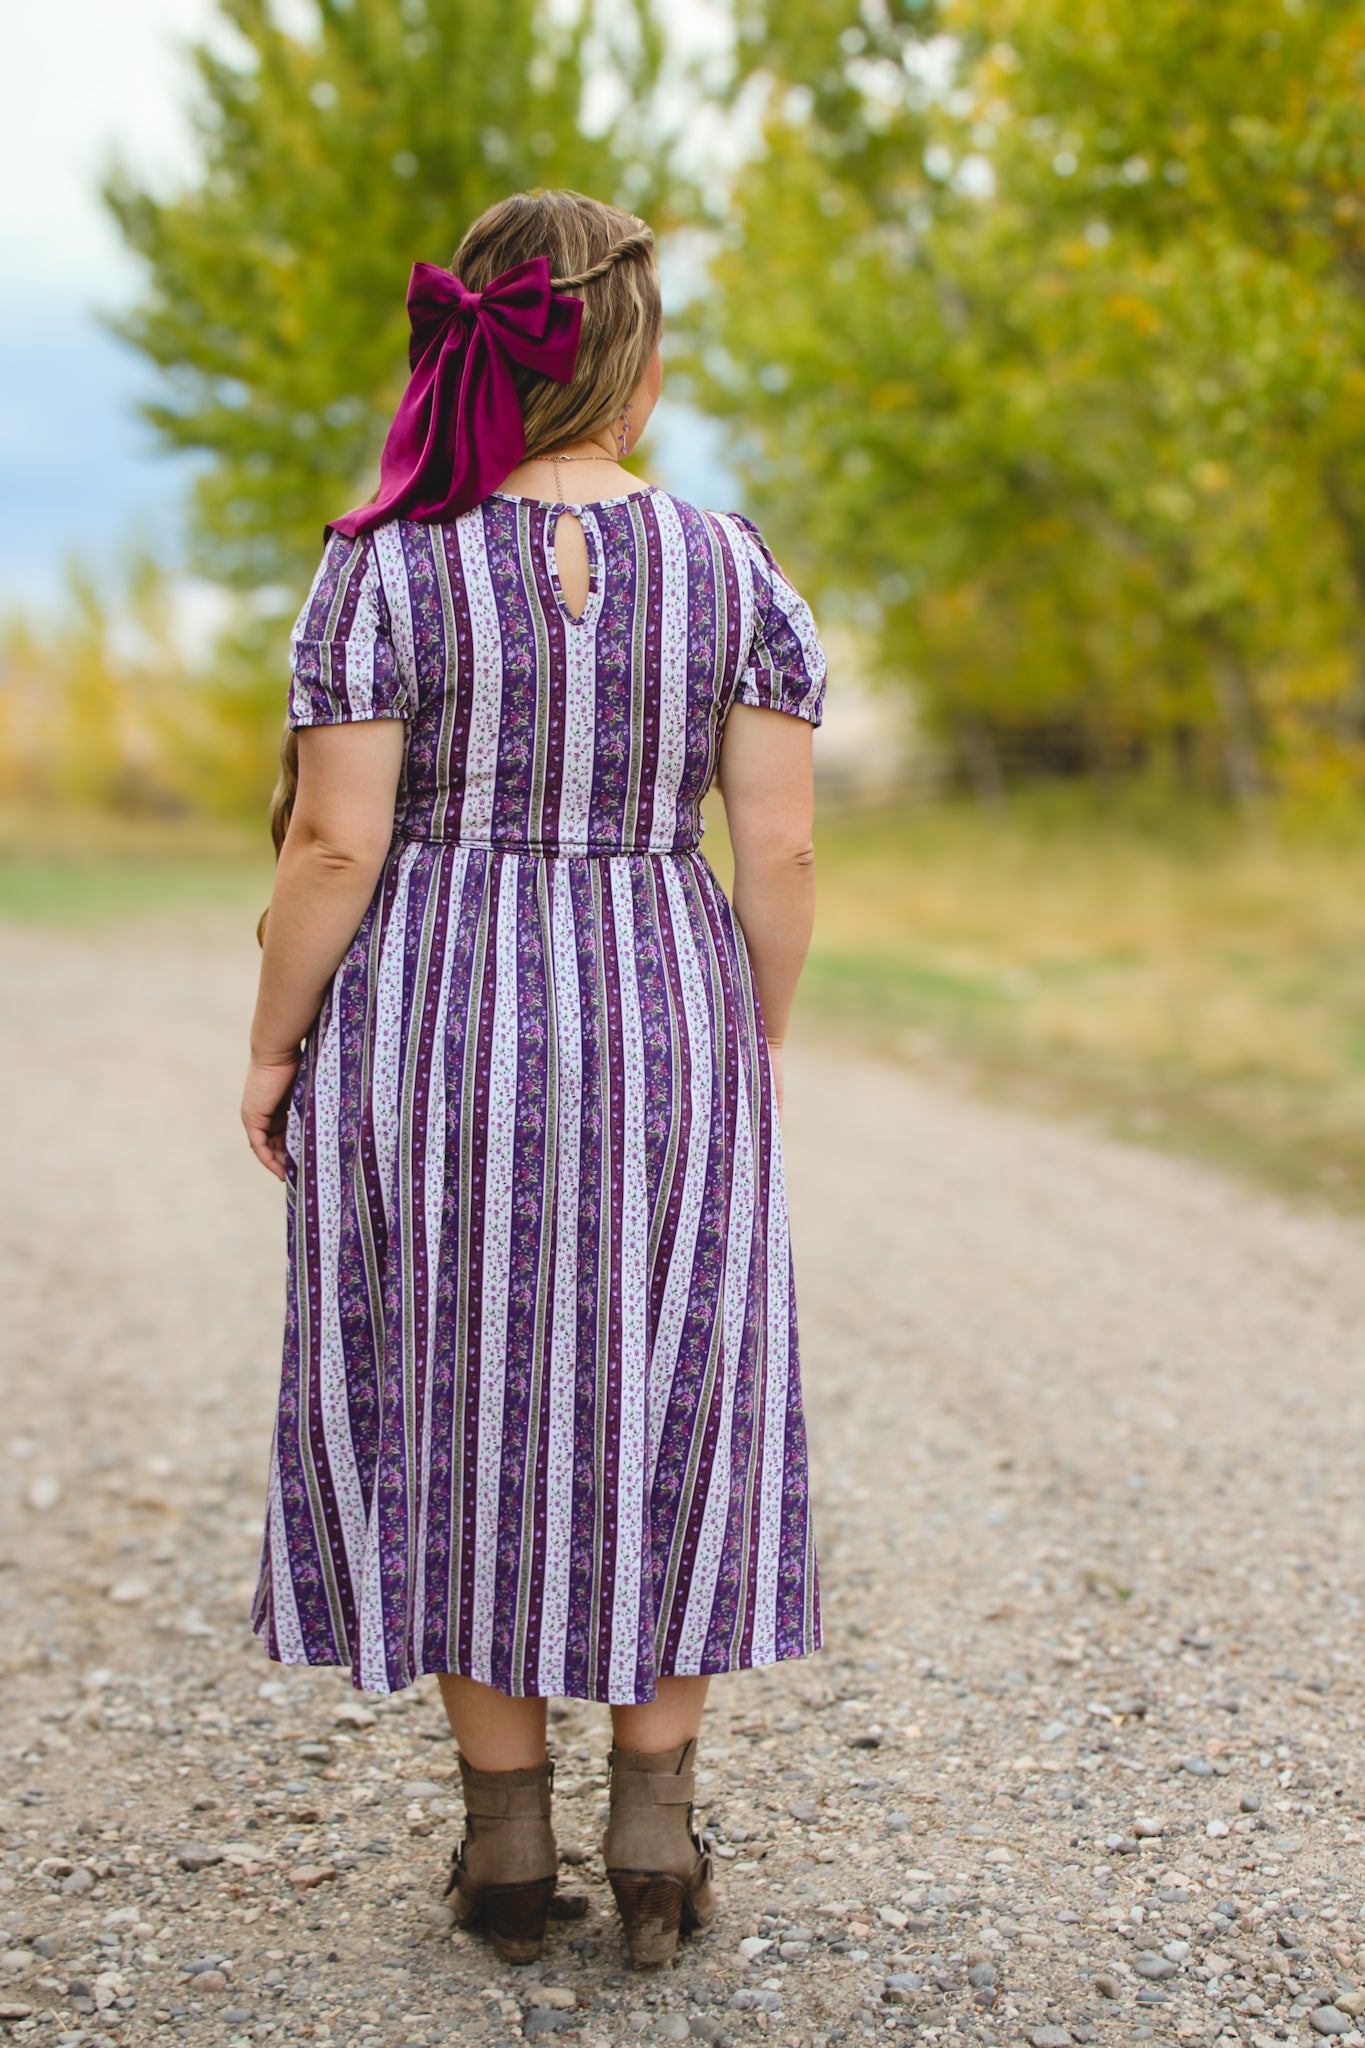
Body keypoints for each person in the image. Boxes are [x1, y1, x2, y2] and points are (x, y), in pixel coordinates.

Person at [240, 188, 826, 1970]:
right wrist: (758, 1026)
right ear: (634, 366)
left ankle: (507, 1853)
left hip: (431, 1023)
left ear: (463, 353)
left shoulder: (383, 563)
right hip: (665, 1001)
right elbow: (780, 855)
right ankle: (653, 1828)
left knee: (463, 1392)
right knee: (673, 1388)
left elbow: (335, 852)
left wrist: (273, 1042)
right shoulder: (732, 568)